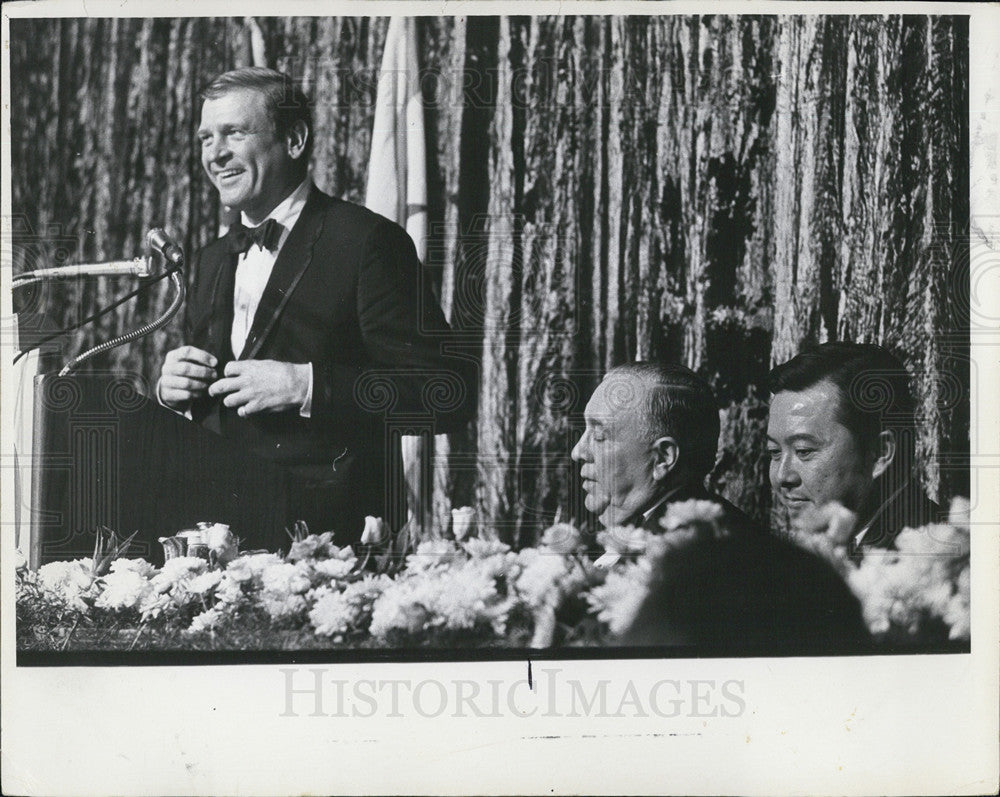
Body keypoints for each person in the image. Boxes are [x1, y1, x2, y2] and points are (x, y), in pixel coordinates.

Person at [157, 67, 472, 546]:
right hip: (223, 538)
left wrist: (305, 385)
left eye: (234, 133)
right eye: (205, 138)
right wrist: (175, 391)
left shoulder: (367, 242)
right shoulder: (211, 259)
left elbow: (445, 393)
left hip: (339, 544)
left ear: (295, 139)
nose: (215, 153)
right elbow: (222, 408)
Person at [766, 342, 942, 555]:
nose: (782, 476)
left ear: (879, 454)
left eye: (804, 451)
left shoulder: (930, 558)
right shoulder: (821, 548)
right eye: (774, 452)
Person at [570, 361, 757, 533]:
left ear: (663, 458)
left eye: (599, 435)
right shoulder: (658, 532)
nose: (577, 452)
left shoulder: (685, 553)